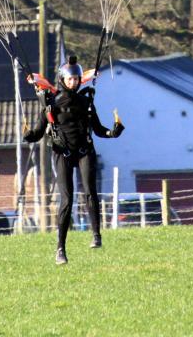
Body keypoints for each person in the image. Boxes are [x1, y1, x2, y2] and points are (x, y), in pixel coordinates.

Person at [24, 55, 124, 265]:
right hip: (63, 153)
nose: (74, 82)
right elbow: (37, 133)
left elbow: (99, 130)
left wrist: (112, 133)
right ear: (63, 79)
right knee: (67, 200)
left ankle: (96, 235)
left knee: (90, 191)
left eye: (76, 79)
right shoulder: (50, 104)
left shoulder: (86, 102)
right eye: (70, 79)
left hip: (85, 150)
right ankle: (60, 249)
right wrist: (28, 135)